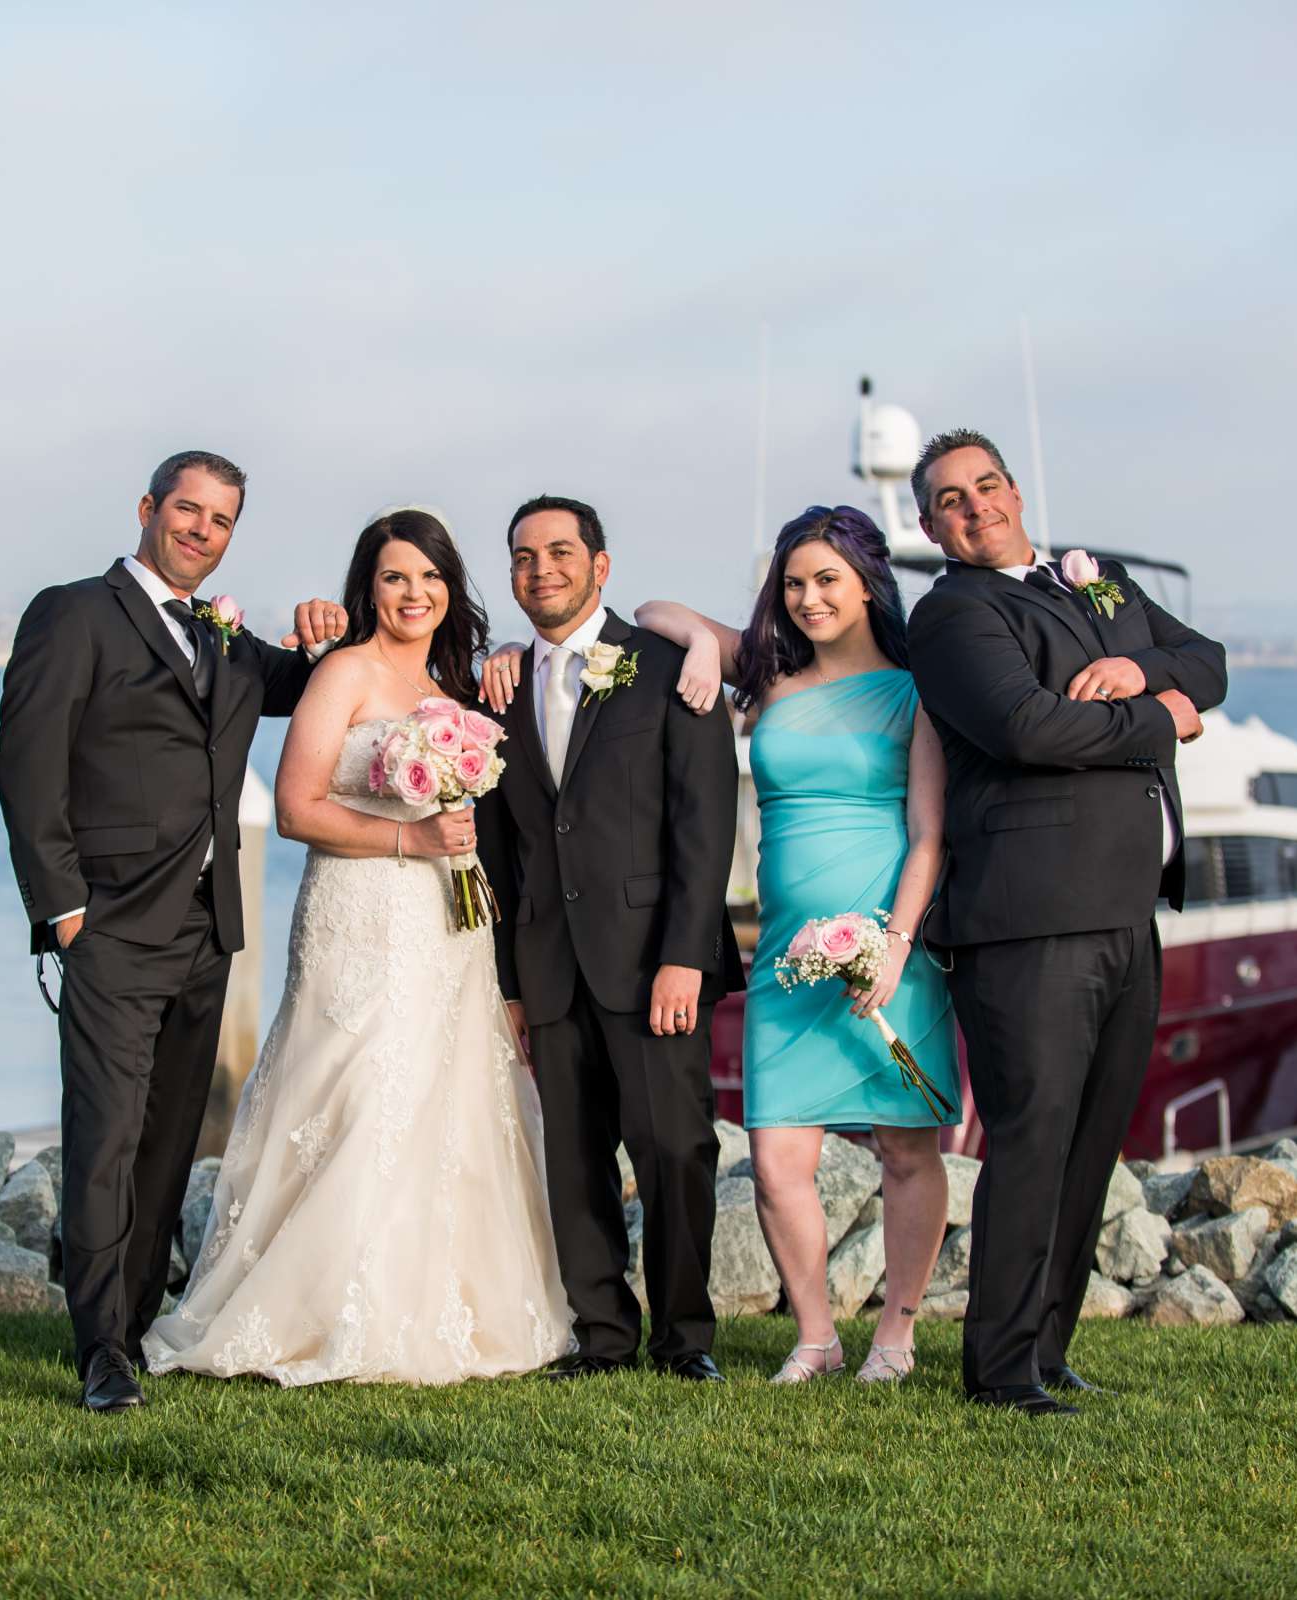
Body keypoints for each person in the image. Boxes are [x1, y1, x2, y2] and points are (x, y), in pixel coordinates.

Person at [143, 508, 573, 1384]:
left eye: (429, 577)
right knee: (352, 1088)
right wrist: (411, 840)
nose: (413, 594)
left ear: (451, 588)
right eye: (393, 577)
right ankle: (323, 1305)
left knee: (442, 1094)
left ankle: (443, 1306)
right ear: (367, 588)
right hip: (359, 911)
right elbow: (298, 808)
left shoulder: (461, 686)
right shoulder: (342, 672)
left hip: (450, 922)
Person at [0, 450, 345, 1413]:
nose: (201, 530)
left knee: (165, 1142)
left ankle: (135, 1323)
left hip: (206, 928)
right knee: (104, 1135)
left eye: (221, 520)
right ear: (148, 509)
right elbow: (26, 764)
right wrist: (60, 908)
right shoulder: (72, 613)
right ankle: (98, 1348)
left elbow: (303, 685)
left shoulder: (224, 639)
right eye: (187, 510)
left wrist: (326, 631)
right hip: (107, 923)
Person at [904, 428, 1225, 1416]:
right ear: (931, 524)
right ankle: (1000, 1370)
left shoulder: (1099, 579)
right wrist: (1165, 717)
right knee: (1033, 1139)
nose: (976, 506)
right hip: (1027, 916)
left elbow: (1204, 658)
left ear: (1013, 487)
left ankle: (1051, 1347)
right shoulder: (953, 613)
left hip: (1129, 908)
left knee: (1092, 1144)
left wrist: (1147, 680)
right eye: (951, 499)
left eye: (986, 485)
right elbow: (1028, 728)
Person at [623, 505, 959, 1386]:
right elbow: (654, 607)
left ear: (867, 585)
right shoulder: (768, 676)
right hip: (786, 958)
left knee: (908, 1148)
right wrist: (705, 649)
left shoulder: (917, 689)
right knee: (776, 1160)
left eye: (827, 581)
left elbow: (930, 835)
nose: (808, 599)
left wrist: (893, 944)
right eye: (795, 583)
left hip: (892, 949)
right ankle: (816, 1336)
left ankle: (896, 1333)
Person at [473, 495, 743, 1383]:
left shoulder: (667, 668)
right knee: (574, 1157)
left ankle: (685, 1339)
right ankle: (602, 1336)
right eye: (522, 556)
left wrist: (683, 958)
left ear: (601, 564)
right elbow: (503, 854)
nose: (540, 569)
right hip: (549, 965)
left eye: (559, 551)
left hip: (649, 961)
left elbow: (704, 831)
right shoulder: (499, 691)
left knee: (675, 1148)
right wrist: (511, 983)